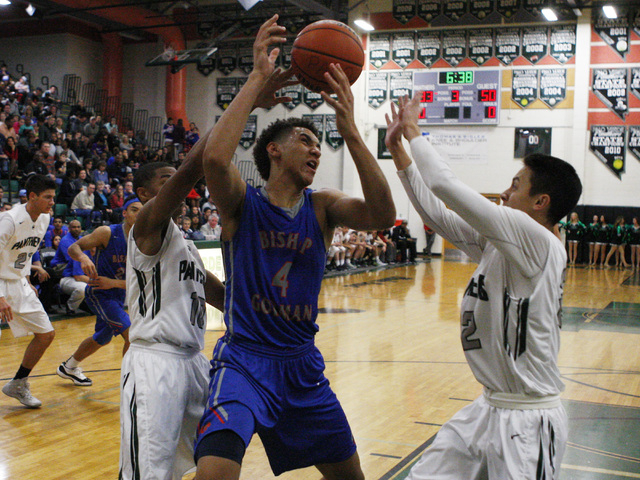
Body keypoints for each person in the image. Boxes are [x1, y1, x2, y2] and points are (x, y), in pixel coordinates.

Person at [194, 15, 395, 480]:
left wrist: (350, 131)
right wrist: (257, 78)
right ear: (274, 151)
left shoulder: (322, 207)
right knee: (214, 473)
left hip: (302, 366)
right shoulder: (241, 204)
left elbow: (383, 216)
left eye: (319, 146)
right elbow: (213, 159)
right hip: (243, 360)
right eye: (305, 140)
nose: (316, 150)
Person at [385, 94, 582, 480]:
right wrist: (397, 152)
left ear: (541, 202)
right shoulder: (504, 243)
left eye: (515, 185)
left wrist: (412, 130)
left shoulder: (537, 240)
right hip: (488, 407)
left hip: (528, 419)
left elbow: (444, 183)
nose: (505, 193)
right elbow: (438, 216)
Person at [118, 154, 225, 476]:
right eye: (168, 181)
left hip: (194, 361)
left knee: (199, 462)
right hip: (155, 362)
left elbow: (210, 287)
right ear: (145, 195)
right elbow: (190, 171)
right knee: (149, 471)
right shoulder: (146, 228)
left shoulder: (186, 245)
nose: (179, 187)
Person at [56, 197, 142, 387]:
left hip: (118, 293)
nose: (139, 214)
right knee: (132, 334)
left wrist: (114, 283)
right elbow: (74, 247)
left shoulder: (144, 240)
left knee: (101, 338)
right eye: (134, 209)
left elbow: (143, 281)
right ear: (125, 213)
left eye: (142, 211)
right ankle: (130, 382)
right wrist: (83, 259)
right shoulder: (108, 233)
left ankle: (69, 367)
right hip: (99, 293)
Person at [0, 175, 57, 408]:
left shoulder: (44, 217)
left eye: (54, 197)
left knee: (46, 334)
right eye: (47, 197)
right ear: (31, 196)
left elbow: (26, 249)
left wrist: (25, 277)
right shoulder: (9, 219)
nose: (52, 202)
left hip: (17, 282)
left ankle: (18, 383)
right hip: (0, 282)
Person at [50, 219, 86, 315]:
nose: (76, 229)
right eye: (74, 227)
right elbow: (72, 258)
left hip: (74, 268)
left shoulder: (81, 239)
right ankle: (70, 306)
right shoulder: (65, 240)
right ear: (69, 229)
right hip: (61, 270)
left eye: (78, 227)